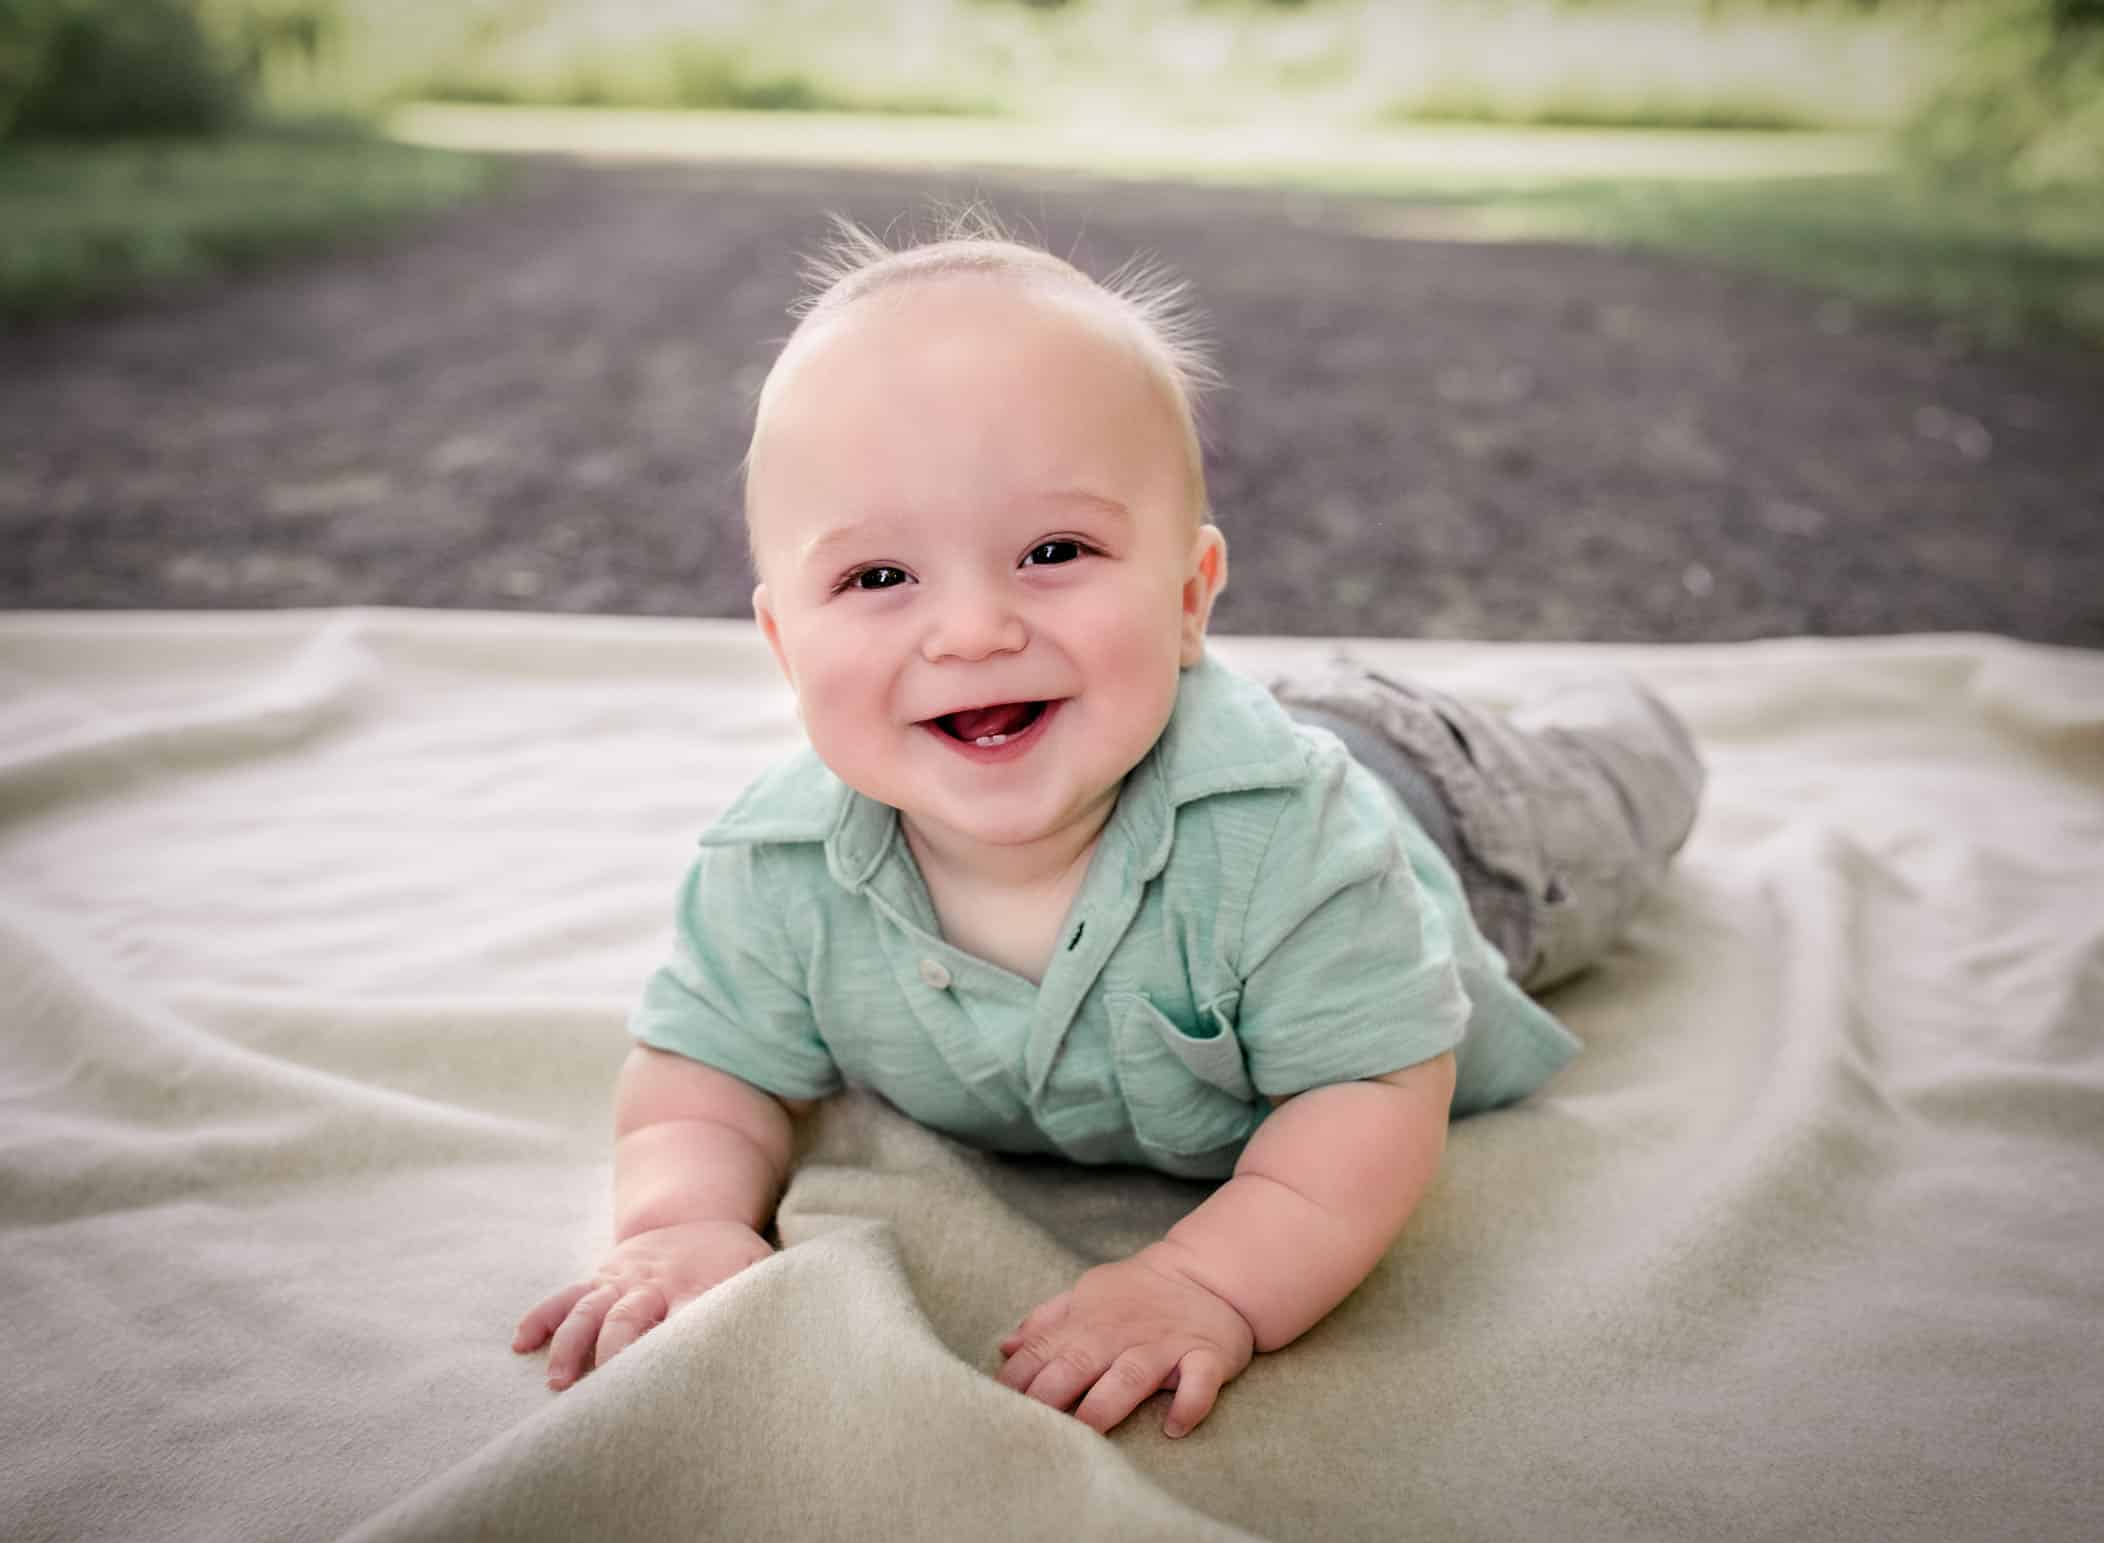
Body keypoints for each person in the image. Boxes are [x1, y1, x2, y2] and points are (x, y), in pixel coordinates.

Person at [513, 208, 1704, 1440]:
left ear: (1189, 598)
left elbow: (1369, 1089)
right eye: (877, 577)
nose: (971, 629)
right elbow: (702, 1074)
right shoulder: (775, 868)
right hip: (1163, 713)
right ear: (781, 641)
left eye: (1052, 548)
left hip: (1457, 818)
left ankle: (1626, 705)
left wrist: (1202, 1282)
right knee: (1215, 715)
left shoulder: (1293, 849)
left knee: (1614, 787)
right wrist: (682, 1220)